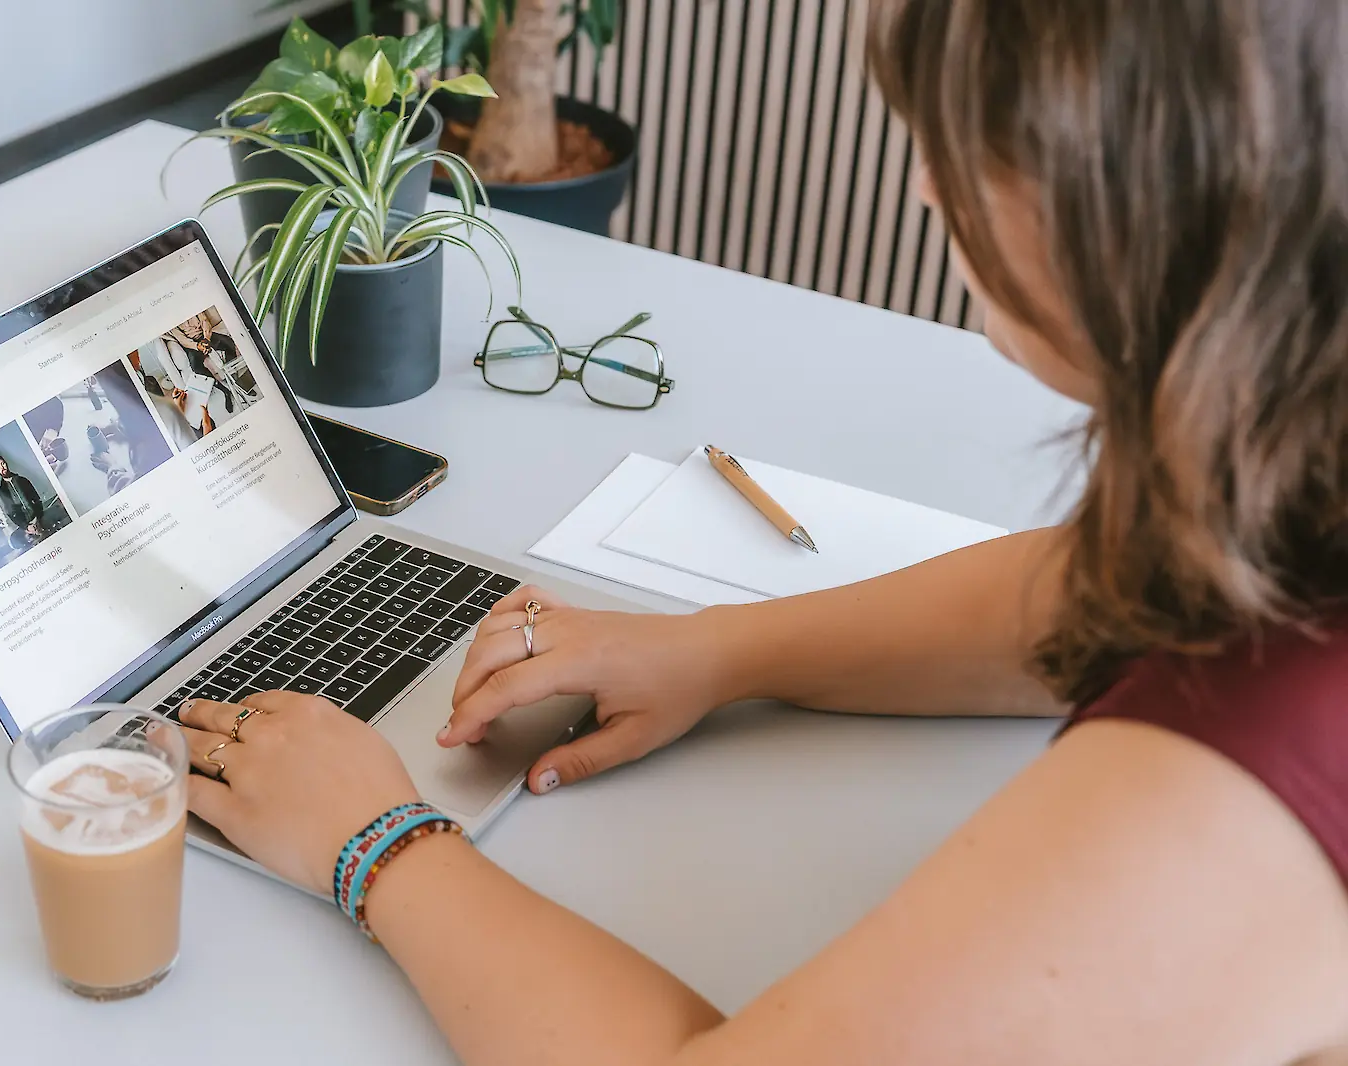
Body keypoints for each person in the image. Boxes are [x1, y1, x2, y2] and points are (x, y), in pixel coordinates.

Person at [171, 3, 1348, 1064]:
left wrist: (376, 844)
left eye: (973, 142)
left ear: (1144, 192)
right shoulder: (1294, 469)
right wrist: (709, 652)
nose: (927, 187)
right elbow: (1093, 590)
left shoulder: (1245, 771)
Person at [0, 454, 45, 533]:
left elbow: (37, 499)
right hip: (27, 528)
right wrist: (26, 526)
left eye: (3, 464)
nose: (2, 467)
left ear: (6, 463)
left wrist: (39, 518)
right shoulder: (2, 491)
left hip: (39, 520)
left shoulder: (23, 480)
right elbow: (10, 513)